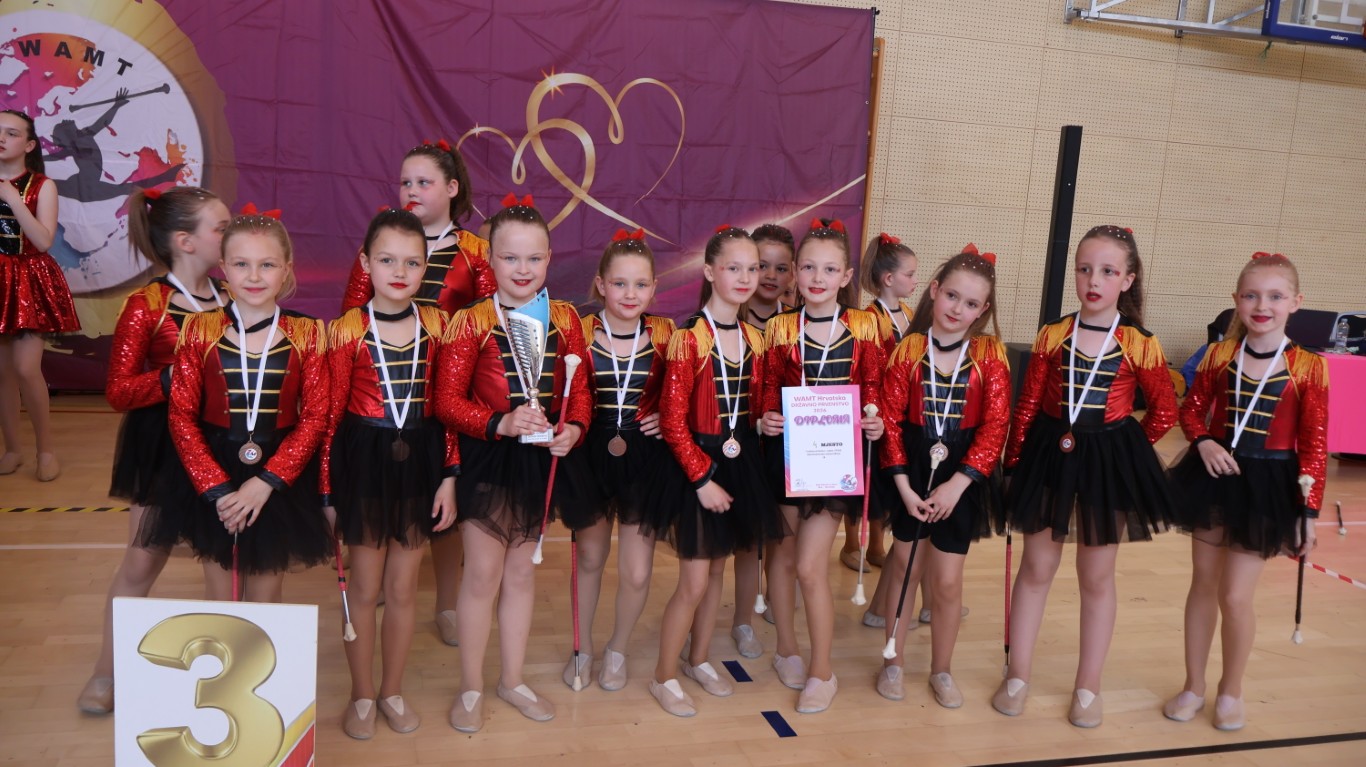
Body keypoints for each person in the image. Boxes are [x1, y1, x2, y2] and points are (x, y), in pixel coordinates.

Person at [995, 225, 1177, 728]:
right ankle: (1018, 675)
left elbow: (1164, 411)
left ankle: (1088, 686)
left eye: (1108, 271)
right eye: (1085, 269)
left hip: (1105, 463)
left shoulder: (1140, 342)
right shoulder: (1053, 333)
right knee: (1036, 568)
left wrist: (1125, 452)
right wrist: (1012, 464)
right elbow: (1027, 404)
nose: (1094, 280)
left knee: (1096, 577)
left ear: (1128, 279)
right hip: (1049, 455)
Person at [434, 195, 592, 733]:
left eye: (533, 258)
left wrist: (574, 429)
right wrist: (498, 423)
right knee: (483, 574)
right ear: (490, 260)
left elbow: (580, 391)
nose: (522, 269)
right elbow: (446, 401)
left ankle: (512, 679)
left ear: (549, 258)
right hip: (489, 458)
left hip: (541, 460)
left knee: (522, 574)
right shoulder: (470, 321)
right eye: (509, 258)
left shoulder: (565, 318)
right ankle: (471, 686)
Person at [76, 186, 229, 714]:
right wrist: (175, 377)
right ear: (186, 241)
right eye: (221, 228)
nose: (231, 235)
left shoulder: (232, 296)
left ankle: (223, 687)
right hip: (162, 448)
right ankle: (106, 671)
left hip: (220, 445)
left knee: (223, 567)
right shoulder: (147, 305)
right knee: (142, 563)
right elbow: (119, 391)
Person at [1163, 252, 1328, 732]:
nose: (1262, 306)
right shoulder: (1219, 356)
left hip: (1269, 485)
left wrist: (1308, 513)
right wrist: (1204, 441)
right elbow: (1191, 409)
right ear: (1236, 300)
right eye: (1252, 296)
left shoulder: (1309, 367)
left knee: (1235, 596)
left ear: (1296, 302)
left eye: (1275, 296)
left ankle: (1230, 690)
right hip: (1215, 476)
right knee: (1203, 583)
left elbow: (1314, 444)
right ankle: (1193, 685)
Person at [341, 139, 495, 646]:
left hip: (449, 398)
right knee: (385, 501)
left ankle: (446, 602)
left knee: (447, 510)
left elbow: (491, 323)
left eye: (423, 182)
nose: (411, 190)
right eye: (405, 181)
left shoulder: (475, 253)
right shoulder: (380, 243)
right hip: (383, 398)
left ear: (451, 188)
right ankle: (382, 583)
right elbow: (352, 313)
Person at [324, 208, 458, 738]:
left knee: (403, 590)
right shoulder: (345, 330)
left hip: (421, 462)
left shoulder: (439, 326)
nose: (399, 272)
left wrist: (449, 476)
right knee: (364, 587)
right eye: (387, 260)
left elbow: (447, 409)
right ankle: (360, 694)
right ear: (365, 263)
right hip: (362, 461)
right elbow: (329, 419)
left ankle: (392, 691)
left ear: (426, 267)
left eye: (412, 262)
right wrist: (327, 492)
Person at [166, 206, 332, 602]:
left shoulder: (308, 332)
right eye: (241, 264)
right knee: (222, 594)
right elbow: (181, 416)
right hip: (214, 468)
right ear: (223, 267)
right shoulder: (199, 328)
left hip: (277, 474)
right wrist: (217, 488)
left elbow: (315, 417)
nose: (254, 276)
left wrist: (267, 482)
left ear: (286, 269)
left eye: (267, 265)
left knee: (266, 594)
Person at [647, 225, 778, 717]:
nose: (745, 278)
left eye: (753, 268)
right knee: (694, 581)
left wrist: (764, 421)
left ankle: (697, 657)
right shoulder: (688, 339)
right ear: (709, 272)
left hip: (740, 462)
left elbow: (754, 405)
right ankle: (663, 675)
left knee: (719, 568)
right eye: (733, 268)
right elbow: (673, 421)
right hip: (697, 467)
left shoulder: (755, 339)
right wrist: (701, 480)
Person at [759, 218, 884, 713]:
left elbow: (874, 389)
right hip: (786, 457)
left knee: (811, 566)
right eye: (808, 267)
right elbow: (767, 390)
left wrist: (873, 420)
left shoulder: (864, 326)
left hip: (833, 462)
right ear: (794, 271)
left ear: (846, 276)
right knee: (782, 558)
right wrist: (765, 417)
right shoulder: (779, 328)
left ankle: (822, 671)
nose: (817, 277)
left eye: (829, 269)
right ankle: (786, 648)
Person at [875, 246, 1010, 707]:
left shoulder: (990, 355)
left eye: (971, 303)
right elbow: (891, 422)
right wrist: (903, 486)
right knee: (904, 567)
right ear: (934, 291)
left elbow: (995, 425)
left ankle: (942, 670)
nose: (957, 309)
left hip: (962, 477)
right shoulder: (908, 350)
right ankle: (892, 662)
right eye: (952, 296)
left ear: (983, 310)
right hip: (911, 471)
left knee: (948, 582)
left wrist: (959, 483)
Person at [560, 229, 677, 692]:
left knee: (637, 570)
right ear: (600, 284)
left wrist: (669, 415)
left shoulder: (666, 334)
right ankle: (582, 648)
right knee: (590, 559)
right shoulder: (579, 332)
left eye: (641, 284)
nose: (630, 294)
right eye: (620, 283)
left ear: (654, 287)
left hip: (644, 460)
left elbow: (686, 391)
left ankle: (617, 649)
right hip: (589, 454)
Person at [0, 109, 78, 481]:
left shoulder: (42, 186)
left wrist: (12, 199)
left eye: (11, 133)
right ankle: (12, 449)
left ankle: (45, 449)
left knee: (25, 368)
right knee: (2, 373)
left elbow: (44, 241)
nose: (1, 138)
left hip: (26, 280)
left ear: (29, 145)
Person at [731, 222, 795, 657]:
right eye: (761, 266)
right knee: (745, 540)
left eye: (780, 267)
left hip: (786, 449)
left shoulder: (798, 326)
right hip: (739, 446)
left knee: (781, 535)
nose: (770, 276)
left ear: (793, 273)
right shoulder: (726, 320)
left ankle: (775, 594)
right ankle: (742, 619)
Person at [849, 232, 919, 625]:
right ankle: (886, 603)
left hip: (908, 418)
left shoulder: (908, 315)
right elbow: (872, 375)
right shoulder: (869, 321)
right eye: (910, 275)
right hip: (882, 422)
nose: (915, 282)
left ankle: (908, 599)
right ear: (888, 279)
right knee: (901, 514)